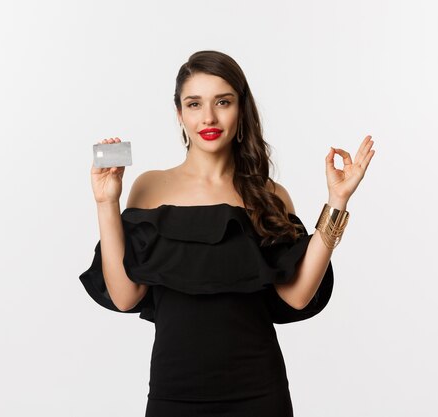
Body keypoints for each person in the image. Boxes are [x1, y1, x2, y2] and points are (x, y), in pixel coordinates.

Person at [79, 50, 375, 417]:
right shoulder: (149, 187)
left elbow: (298, 296)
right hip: (175, 395)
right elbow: (124, 297)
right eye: (194, 104)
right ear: (179, 114)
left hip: (259, 394)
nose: (208, 117)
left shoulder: (269, 194)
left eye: (222, 101)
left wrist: (337, 200)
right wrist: (107, 202)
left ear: (241, 108)